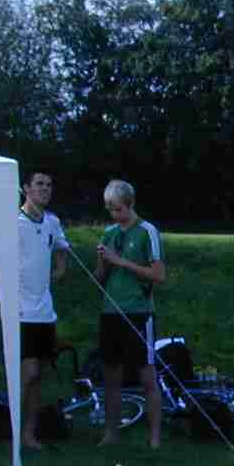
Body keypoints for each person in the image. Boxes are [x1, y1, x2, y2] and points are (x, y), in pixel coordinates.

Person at [0, 169, 70, 449]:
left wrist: (60, 269)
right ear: (26, 188)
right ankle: (10, 428)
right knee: (28, 373)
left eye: (49, 184)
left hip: (45, 312)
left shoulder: (52, 222)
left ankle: (29, 433)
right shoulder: (12, 222)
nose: (45, 189)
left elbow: (62, 248)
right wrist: (0, 293)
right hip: (21, 313)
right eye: (39, 184)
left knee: (39, 376)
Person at [94, 179, 166, 448]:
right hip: (110, 311)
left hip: (139, 312)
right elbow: (100, 278)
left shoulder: (147, 231)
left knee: (147, 377)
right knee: (111, 376)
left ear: (130, 204)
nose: (114, 215)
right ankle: (110, 434)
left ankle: (154, 439)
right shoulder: (109, 233)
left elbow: (159, 275)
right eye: (110, 209)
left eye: (118, 209)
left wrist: (121, 261)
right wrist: (104, 263)